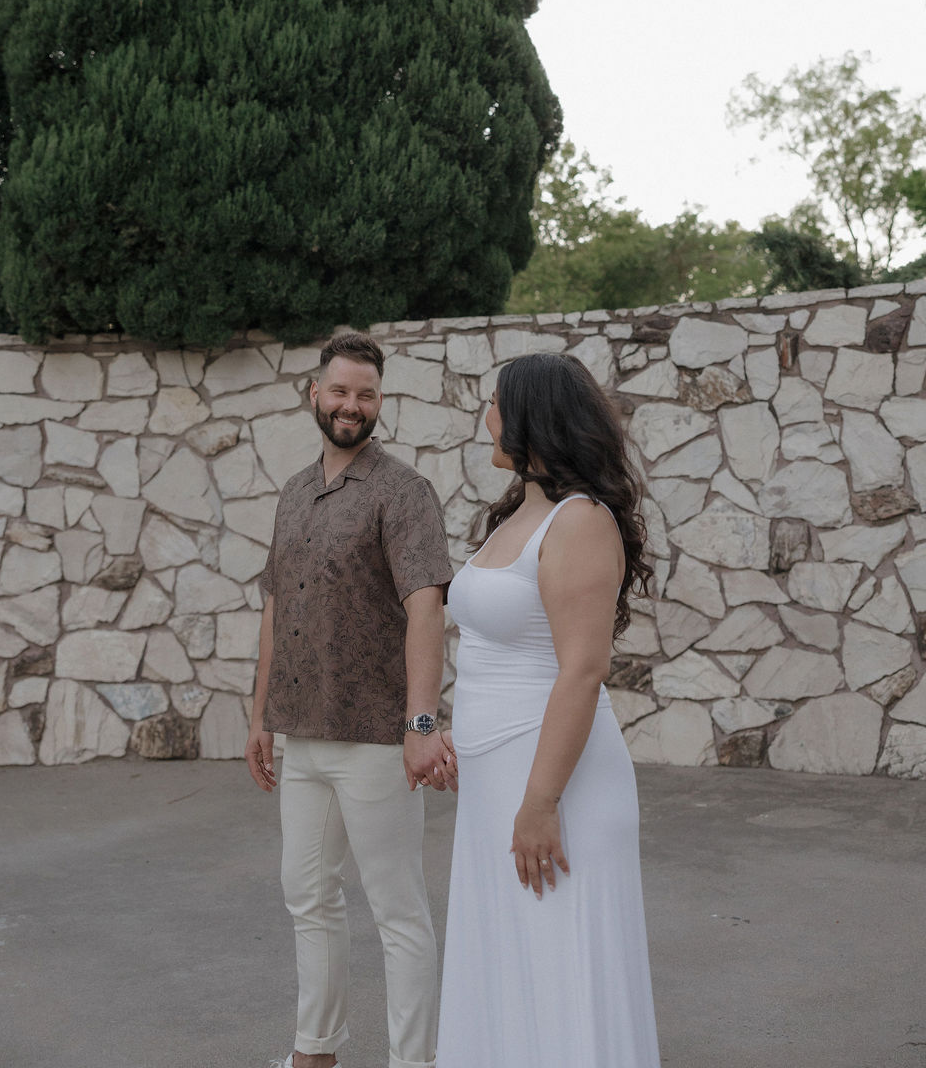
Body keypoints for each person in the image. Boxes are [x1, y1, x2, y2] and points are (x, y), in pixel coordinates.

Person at [436, 350, 661, 1067]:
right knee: (509, 962)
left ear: (534, 415)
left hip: (553, 784)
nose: (488, 417)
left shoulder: (581, 520)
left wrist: (540, 803)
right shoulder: (517, 517)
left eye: (498, 403)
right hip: (494, 782)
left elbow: (584, 668)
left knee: (561, 967)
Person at [245, 331, 455, 1068]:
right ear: (316, 394)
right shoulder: (295, 492)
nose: (351, 406)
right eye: (340, 391)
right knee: (308, 897)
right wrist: (259, 715)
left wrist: (421, 723)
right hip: (299, 737)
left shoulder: (403, 493)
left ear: (378, 403)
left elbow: (427, 606)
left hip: (374, 739)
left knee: (398, 913)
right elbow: (275, 608)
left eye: (365, 395)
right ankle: (316, 1052)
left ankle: (412, 1063)